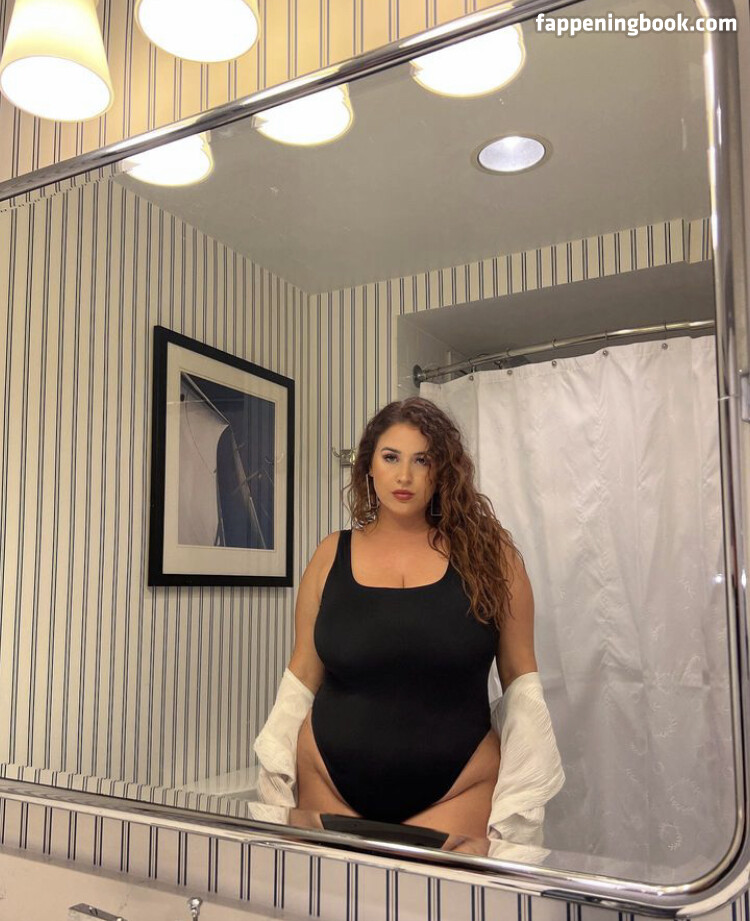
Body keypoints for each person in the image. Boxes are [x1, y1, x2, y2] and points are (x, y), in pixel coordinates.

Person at [254, 397, 562, 842]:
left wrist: (524, 796)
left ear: (443, 471)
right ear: (368, 466)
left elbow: (521, 680)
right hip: (327, 782)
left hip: (459, 789)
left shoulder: (492, 558)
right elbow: (302, 674)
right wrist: (275, 772)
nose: (404, 476)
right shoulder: (329, 555)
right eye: (391, 457)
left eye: (423, 460)